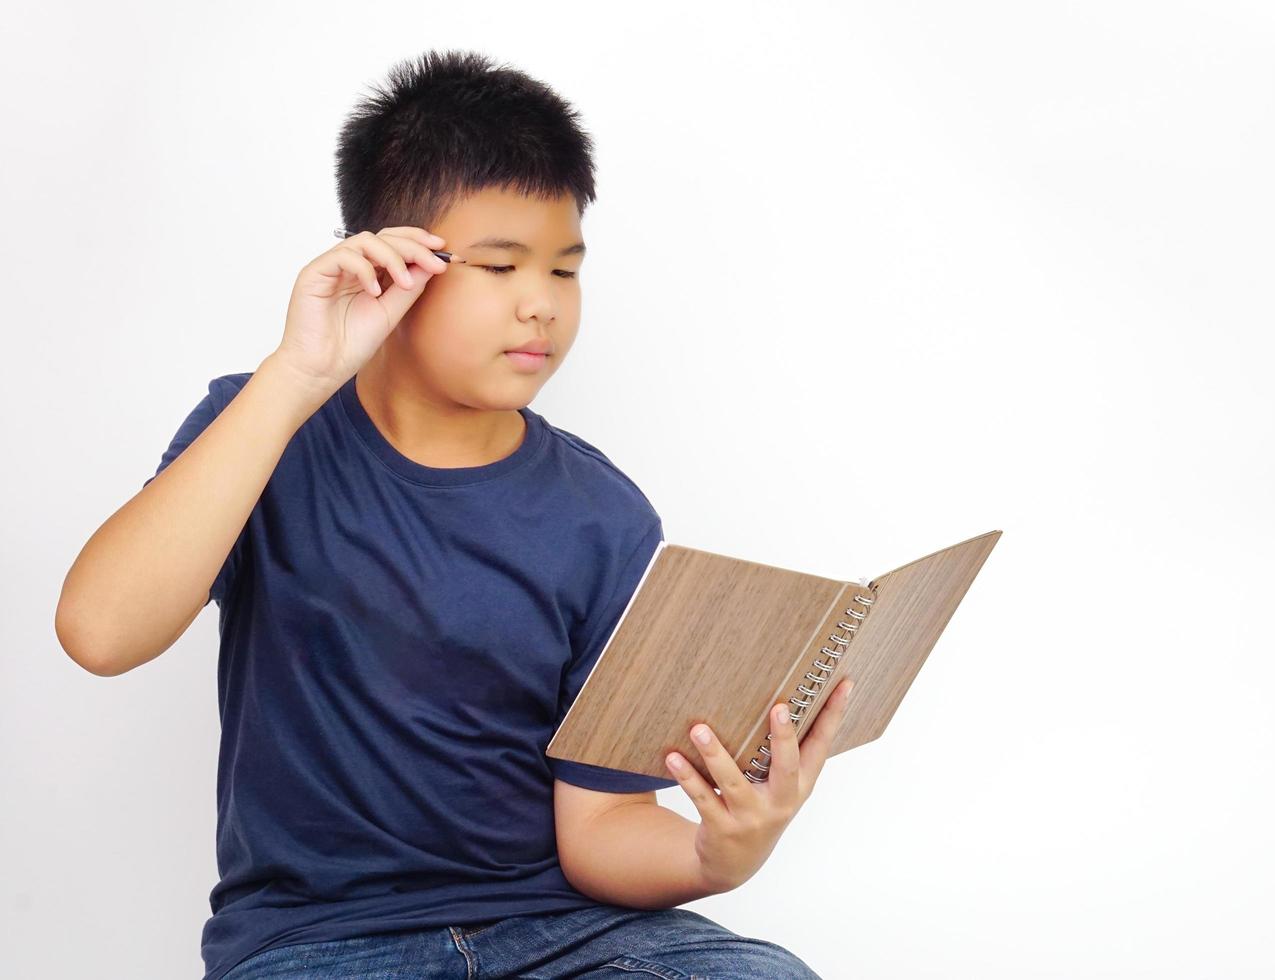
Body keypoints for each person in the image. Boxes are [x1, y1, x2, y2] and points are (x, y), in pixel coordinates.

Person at [54, 48, 854, 980]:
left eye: (563, 270)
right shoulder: (262, 432)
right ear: (393, 261)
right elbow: (99, 631)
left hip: (563, 931)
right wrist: (296, 378)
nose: (540, 306)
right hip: (319, 944)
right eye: (501, 264)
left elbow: (597, 826)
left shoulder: (604, 516)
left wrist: (717, 855)